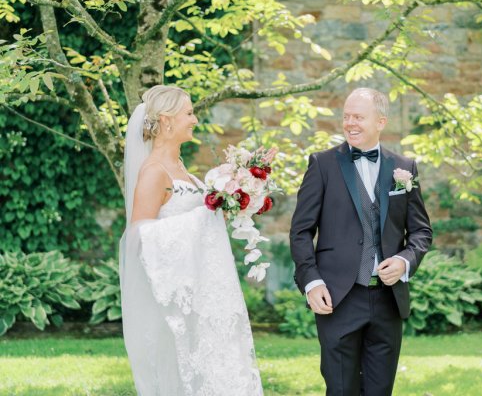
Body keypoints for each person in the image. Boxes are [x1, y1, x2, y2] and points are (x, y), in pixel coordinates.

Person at [119, 85, 263, 395]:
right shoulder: (154, 172)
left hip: (203, 290)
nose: (194, 119)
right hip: (180, 295)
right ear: (167, 122)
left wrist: (227, 203)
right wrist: (204, 218)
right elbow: (140, 235)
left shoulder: (181, 167)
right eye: (188, 113)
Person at [290, 88, 432, 396]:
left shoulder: (404, 168)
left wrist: (405, 260)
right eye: (346, 116)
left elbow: (421, 232)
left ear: (381, 121)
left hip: (388, 301)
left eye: (359, 117)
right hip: (338, 298)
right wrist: (312, 282)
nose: (350, 123)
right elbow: (301, 231)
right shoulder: (322, 164)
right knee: (341, 390)